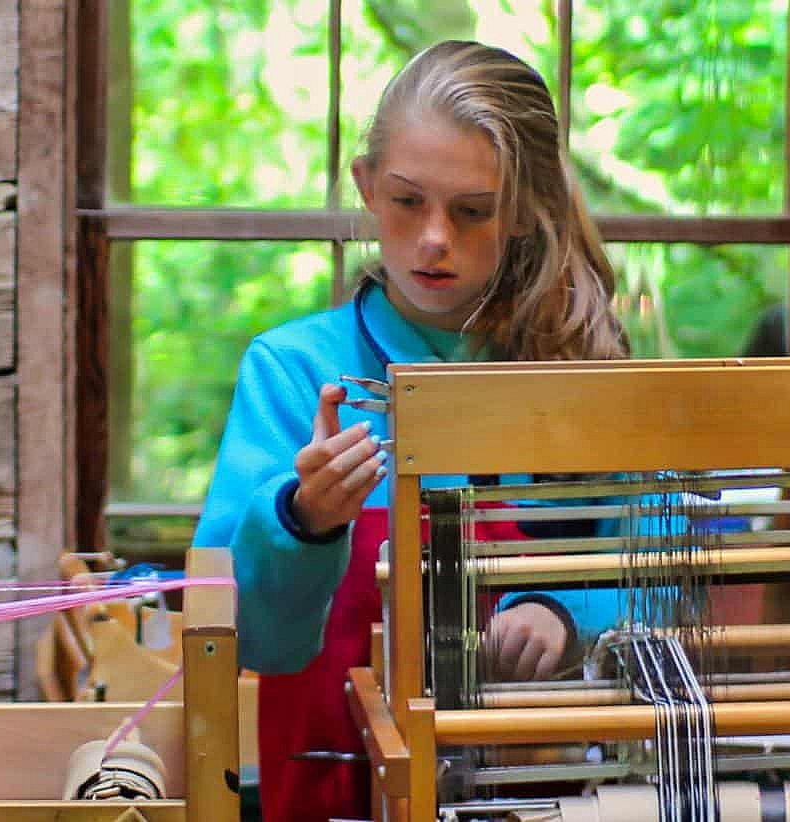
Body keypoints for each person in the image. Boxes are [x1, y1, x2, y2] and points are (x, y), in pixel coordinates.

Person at [188, 40, 630, 820]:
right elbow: (246, 636)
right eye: (406, 202)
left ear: (524, 211)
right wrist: (302, 521)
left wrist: (565, 613)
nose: (433, 238)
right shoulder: (291, 371)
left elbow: (655, 579)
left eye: (471, 211)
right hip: (333, 793)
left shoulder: (580, 377)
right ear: (366, 186)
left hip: (541, 795)